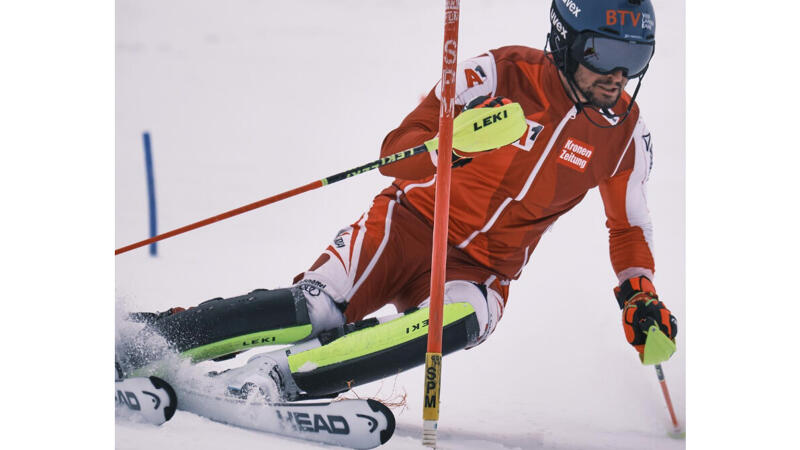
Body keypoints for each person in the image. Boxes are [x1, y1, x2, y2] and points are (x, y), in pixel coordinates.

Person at [123, 0, 678, 402]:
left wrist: (640, 296)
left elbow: (628, 227)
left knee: (459, 320)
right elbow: (394, 155)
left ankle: (281, 378)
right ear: (566, 40)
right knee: (314, 310)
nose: (618, 76)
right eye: (607, 53)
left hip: (484, 270)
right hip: (408, 224)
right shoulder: (498, 74)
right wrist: (450, 145)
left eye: (635, 57)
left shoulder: (626, 136)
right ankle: (150, 340)